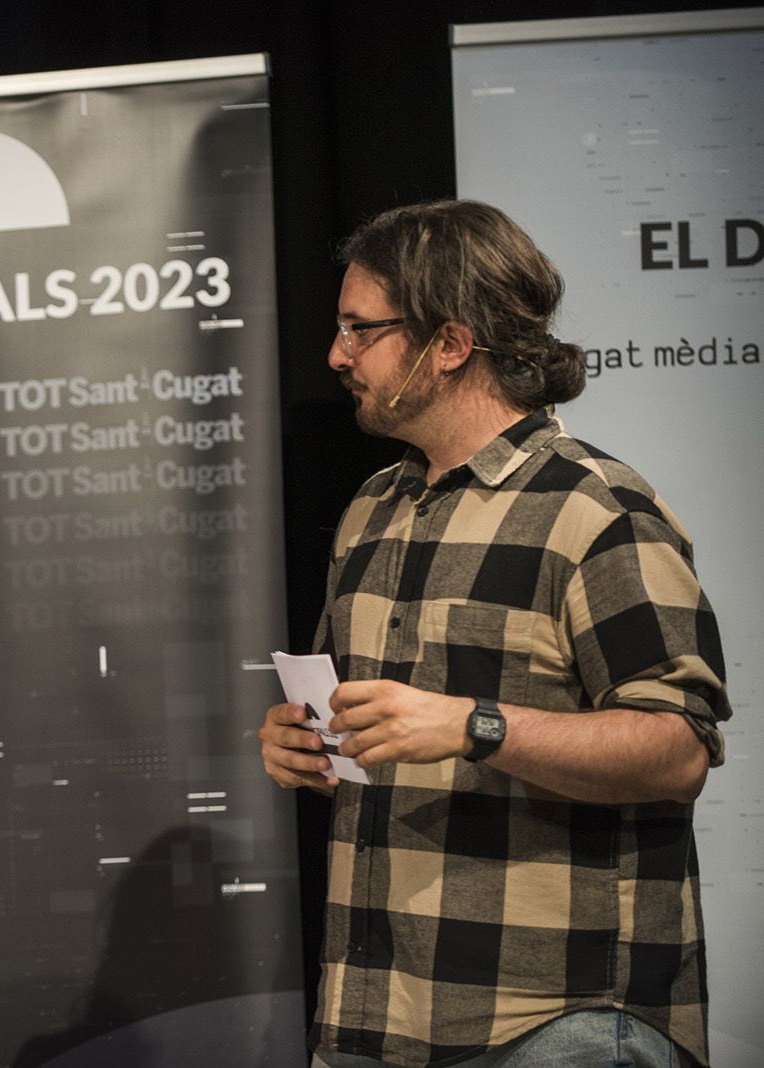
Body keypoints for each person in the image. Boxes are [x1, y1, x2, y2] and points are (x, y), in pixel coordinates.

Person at [259, 201, 729, 1068]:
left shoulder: (597, 511)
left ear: (449, 343)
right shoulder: (372, 510)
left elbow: (678, 747)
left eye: (361, 330)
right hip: (379, 1015)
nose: (337, 355)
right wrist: (307, 744)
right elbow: (382, 735)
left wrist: (474, 725)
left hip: (556, 1024)